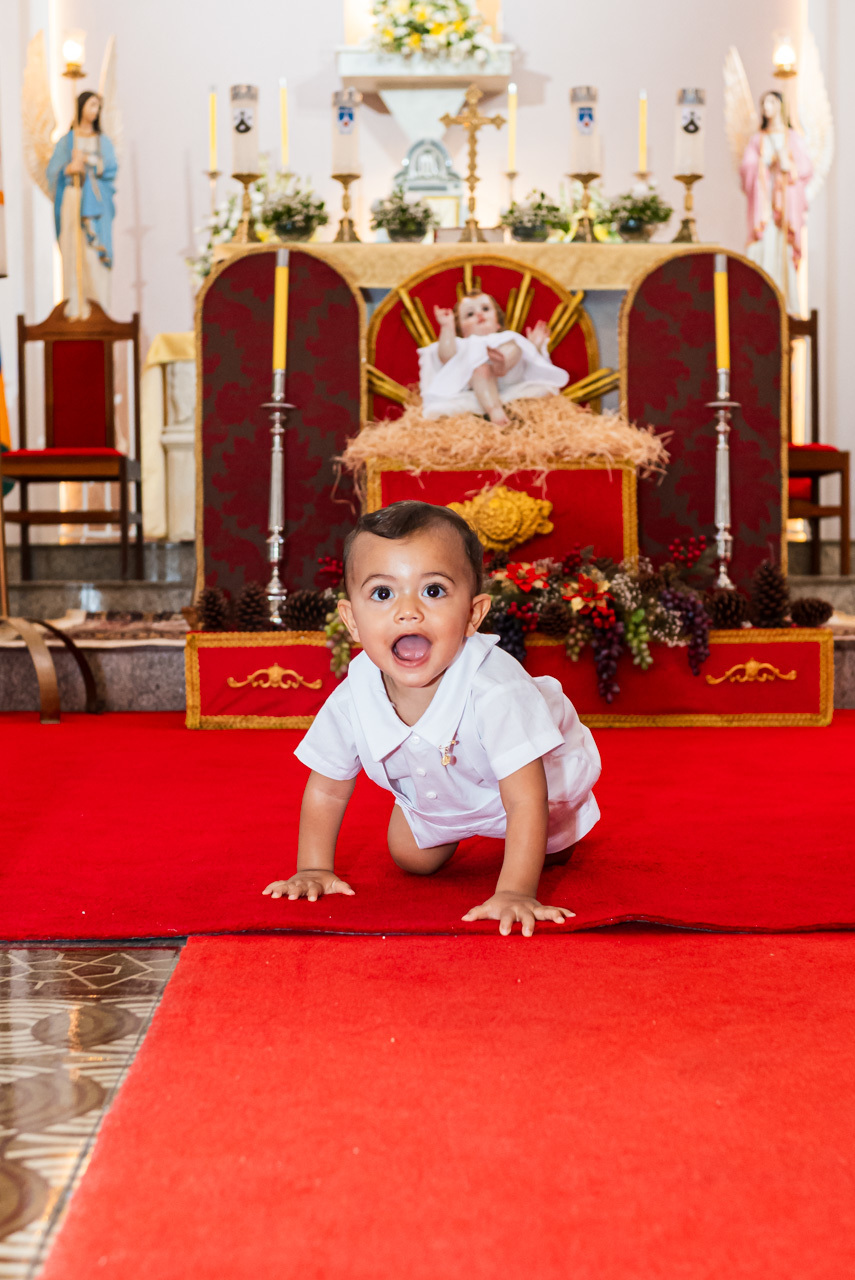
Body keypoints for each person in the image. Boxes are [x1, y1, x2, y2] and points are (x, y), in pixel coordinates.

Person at [263, 501, 601, 936]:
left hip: (528, 786)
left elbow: (525, 798)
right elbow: (327, 788)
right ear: (351, 620)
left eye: (434, 591)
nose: (409, 611)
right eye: (383, 594)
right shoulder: (354, 695)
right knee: (411, 857)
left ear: (473, 615)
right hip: (450, 779)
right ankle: (448, 813)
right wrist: (313, 867)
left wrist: (516, 891)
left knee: (552, 848)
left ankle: (549, 838)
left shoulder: (496, 690)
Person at [419, 290, 569, 425]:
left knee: (515, 346)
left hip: (509, 374)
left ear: (498, 323)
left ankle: (501, 363)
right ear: (461, 330)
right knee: (481, 368)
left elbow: (530, 360)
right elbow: (446, 356)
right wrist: (447, 327)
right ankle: (495, 411)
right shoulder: (464, 344)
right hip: (478, 380)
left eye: (485, 309)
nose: (479, 314)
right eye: (470, 314)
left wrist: (534, 345)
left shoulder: (505, 337)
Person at [739, 90, 812, 314]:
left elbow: (805, 168)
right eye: (764, 103)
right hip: (764, 208)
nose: (766, 107)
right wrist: (762, 163)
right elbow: (746, 168)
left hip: (785, 206)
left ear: (780, 105)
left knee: (783, 252)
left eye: (771, 102)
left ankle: (787, 306)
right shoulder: (757, 139)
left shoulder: (792, 138)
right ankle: (759, 305)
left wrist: (787, 165)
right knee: (762, 249)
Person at [46, 91, 117, 319]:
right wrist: (69, 168)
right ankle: (74, 313)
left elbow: (111, 169)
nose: (95, 110)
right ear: (82, 106)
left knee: (93, 258)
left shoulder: (102, 141)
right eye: (92, 105)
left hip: (95, 207)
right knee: (73, 253)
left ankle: (98, 314)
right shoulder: (67, 141)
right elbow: (52, 173)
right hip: (73, 201)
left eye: (98, 106)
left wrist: (88, 161)